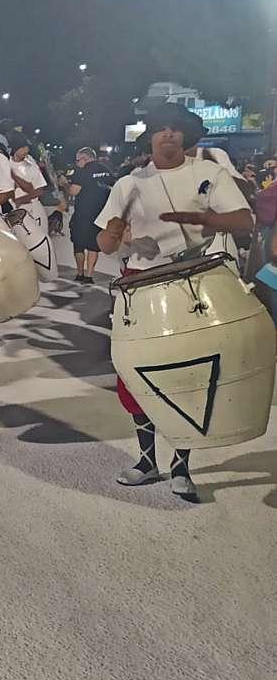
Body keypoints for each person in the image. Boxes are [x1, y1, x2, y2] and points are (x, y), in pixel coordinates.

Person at [94, 104, 252, 502]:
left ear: (186, 136)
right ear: (149, 136)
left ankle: (182, 466)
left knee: (189, 376)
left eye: (175, 129)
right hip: (141, 282)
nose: (168, 134)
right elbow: (105, 244)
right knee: (134, 376)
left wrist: (203, 220)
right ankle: (147, 460)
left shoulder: (208, 174)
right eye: (160, 128)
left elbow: (244, 220)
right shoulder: (128, 183)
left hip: (192, 278)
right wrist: (113, 234)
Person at [66, 147, 114, 284]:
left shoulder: (82, 171)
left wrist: (65, 185)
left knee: (78, 244)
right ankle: (89, 275)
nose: (77, 163)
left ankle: (80, 273)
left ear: (85, 159)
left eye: (77, 160)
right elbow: (114, 187)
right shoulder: (106, 170)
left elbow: (74, 191)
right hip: (100, 214)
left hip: (83, 214)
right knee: (93, 245)